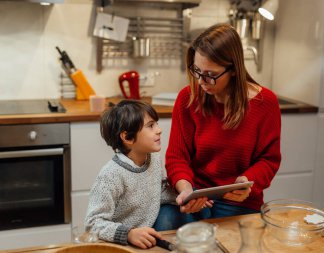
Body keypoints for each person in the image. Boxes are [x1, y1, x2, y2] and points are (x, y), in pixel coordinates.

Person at [153, 23, 281, 231]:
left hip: (239, 203)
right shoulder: (188, 97)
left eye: (210, 74)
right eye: (197, 71)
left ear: (233, 69)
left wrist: (247, 181)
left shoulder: (266, 103)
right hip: (194, 196)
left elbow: (269, 160)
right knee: (163, 228)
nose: (201, 81)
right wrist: (185, 190)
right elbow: (177, 157)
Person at [84, 100, 176, 249]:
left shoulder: (154, 159)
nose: (159, 130)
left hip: (147, 239)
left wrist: (184, 197)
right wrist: (128, 234)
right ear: (127, 137)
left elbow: (155, 193)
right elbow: (93, 223)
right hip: (120, 245)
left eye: (156, 124)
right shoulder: (110, 176)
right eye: (151, 126)